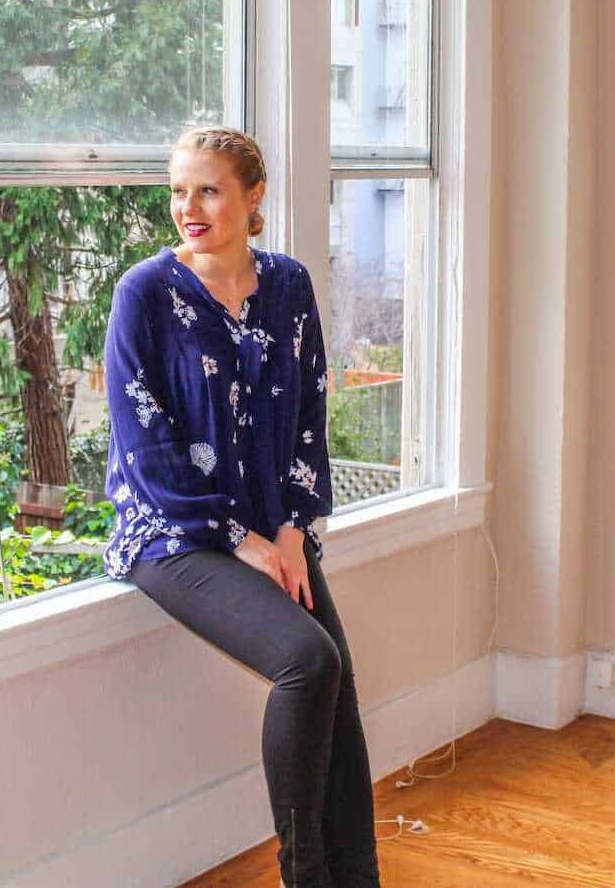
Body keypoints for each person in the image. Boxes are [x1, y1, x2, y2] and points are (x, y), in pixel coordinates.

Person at [101, 127, 380, 887]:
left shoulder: (287, 286)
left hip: (271, 527)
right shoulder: (144, 294)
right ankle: (303, 872)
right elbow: (145, 448)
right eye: (178, 191)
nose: (187, 208)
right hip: (173, 535)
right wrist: (239, 538)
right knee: (307, 661)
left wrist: (290, 529)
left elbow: (309, 414)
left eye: (208, 190)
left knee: (338, 692)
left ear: (253, 196)